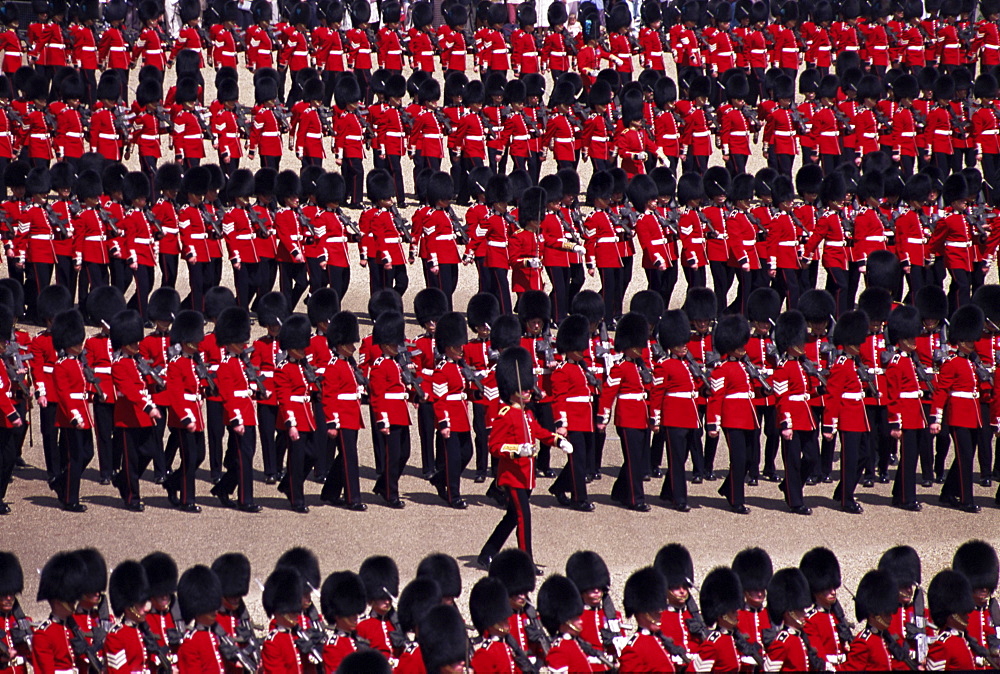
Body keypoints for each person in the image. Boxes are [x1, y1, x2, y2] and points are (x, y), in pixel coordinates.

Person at [477, 347, 571, 569]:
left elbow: (539, 432)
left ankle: (487, 554)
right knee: (523, 518)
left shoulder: (527, 414)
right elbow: (494, 446)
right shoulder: (505, 415)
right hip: (512, 477)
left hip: (526, 476)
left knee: (511, 517)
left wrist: (558, 441)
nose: (529, 391)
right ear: (511, 389)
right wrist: (517, 451)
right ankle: (526, 562)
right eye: (524, 387)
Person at [109, 309, 163, 512]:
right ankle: (132, 497)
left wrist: (158, 384)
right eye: (132, 342)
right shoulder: (119, 364)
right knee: (130, 460)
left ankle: (123, 480)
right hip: (128, 418)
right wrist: (148, 406)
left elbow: (146, 382)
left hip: (144, 417)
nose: (136, 345)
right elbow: (129, 390)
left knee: (149, 452)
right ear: (123, 342)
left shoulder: (138, 361)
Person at [211, 306, 261, 513]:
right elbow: (228, 397)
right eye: (240, 341)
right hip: (238, 416)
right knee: (243, 458)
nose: (244, 344)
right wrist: (237, 420)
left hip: (248, 413)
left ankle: (223, 488)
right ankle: (245, 500)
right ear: (230, 342)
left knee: (244, 457)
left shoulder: (240, 362)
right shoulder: (226, 365)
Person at [320, 310, 367, 511]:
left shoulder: (348, 364)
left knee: (344, 457)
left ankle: (330, 492)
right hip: (341, 418)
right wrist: (332, 422)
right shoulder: (333, 366)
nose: (353, 347)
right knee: (350, 458)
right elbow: (329, 397)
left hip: (352, 415)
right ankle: (352, 498)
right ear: (339, 344)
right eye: (349, 344)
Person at [771, 310, 817, 515]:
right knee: (792, 462)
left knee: (812, 457)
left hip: (806, 416)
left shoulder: (802, 365)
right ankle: (796, 501)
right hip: (791, 418)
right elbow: (782, 399)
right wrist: (786, 424)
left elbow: (809, 390)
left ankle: (790, 487)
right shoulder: (782, 369)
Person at [273, 314, 317, 514]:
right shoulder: (283, 369)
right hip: (295, 419)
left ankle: (287, 484)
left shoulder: (303, 366)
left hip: (307, 416)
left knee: (313, 454)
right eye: (299, 347)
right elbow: (284, 398)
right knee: (297, 461)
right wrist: (290, 424)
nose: (302, 350)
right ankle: (296, 499)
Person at [841, 570, 907, 669]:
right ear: (872, 615)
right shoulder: (863, 642)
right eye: (886, 614)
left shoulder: (885, 637)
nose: (890, 617)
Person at [537, 575, 600, 672]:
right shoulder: (559, 650)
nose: (581, 621)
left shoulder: (575, 643)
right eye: (575, 618)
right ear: (565, 621)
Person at [104, 560, 153, 674]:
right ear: (128, 606)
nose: (146, 608)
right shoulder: (116, 637)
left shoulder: (145, 630)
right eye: (141, 604)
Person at [762, 568, 814, 671]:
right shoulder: (783, 641)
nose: (804, 613)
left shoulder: (800, 637)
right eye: (800, 610)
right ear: (789, 613)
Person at [926, 570, 977, 670]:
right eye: (963, 613)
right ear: (952, 616)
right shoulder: (943, 645)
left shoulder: (962, 640)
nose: (967, 616)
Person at [320, 571, 368, 670]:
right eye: (350, 614)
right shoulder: (333, 646)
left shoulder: (358, 640)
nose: (355, 617)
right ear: (337, 615)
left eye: (356, 613)